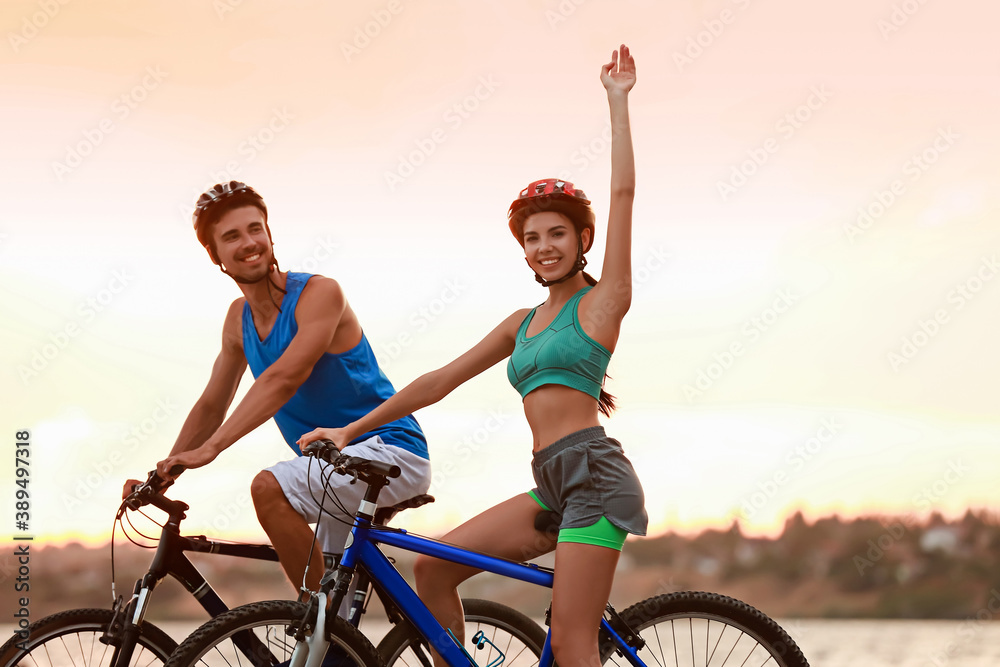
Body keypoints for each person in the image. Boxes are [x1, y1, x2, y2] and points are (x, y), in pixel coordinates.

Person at [299, 44, 646, 667]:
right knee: (429, 569)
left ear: (583, 239)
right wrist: (350, 430)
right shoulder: (522, 324)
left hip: (593, 478)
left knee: (570, 643)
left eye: (557, 234)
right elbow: (438, 382)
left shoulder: (601, 305)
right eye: (532, 238)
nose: (543, 247)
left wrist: (617, 102)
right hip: (550, 485)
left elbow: (622, 194)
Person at [123, 181, 431, 597]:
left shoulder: (320, 293)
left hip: (389, 450)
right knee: (333, 625)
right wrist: (163, 475)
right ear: (215, 255)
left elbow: (284, 378)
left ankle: (314, 620)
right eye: (232, 236)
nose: (249, 242)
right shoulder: (238, 321)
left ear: (270, 235)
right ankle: (332, 643)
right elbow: (213, 402)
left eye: (256, 229)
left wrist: (212, 449)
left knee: (269, 488)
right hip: (337, 466)